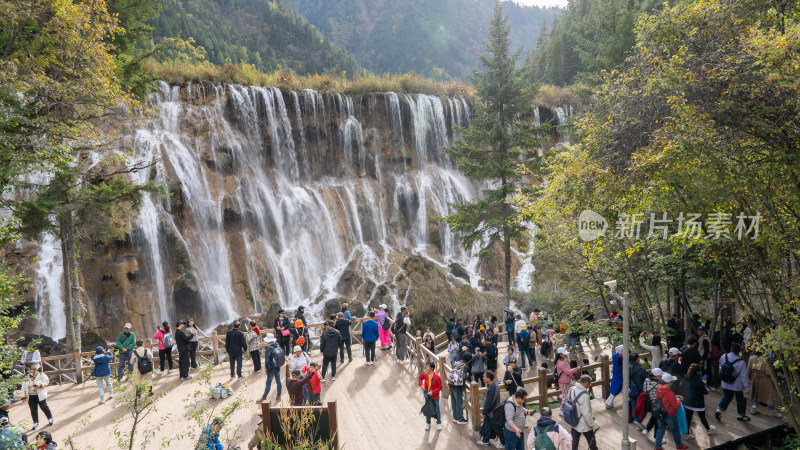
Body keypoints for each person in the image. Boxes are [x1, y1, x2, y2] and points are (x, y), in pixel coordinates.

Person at [715, 342, 751, 422]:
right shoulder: (741, 362)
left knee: (726, 397)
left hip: (725, 383)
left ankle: (719, 410)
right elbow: (744, 376)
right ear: (739, 351)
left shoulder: (724, 356)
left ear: (731, 349)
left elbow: (720, 366)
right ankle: (741, 415)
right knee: (741, 399)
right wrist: (746, 387)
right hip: (737, 385)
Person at [682, 363, 715, 440]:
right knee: (702, 417)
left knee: (688, 418)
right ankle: (708, 429)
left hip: (688, 402)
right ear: (697, 372)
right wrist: (704, 385)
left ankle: (686, 434)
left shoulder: (685, 379)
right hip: (698, 403)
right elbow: (705, 392)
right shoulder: (699, 382)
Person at [655, 373, 688, 450]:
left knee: (660, 430)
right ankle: (679, 446)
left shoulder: (659, 388)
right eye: (672, 381)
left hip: (661, 413)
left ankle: (657, 447)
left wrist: (675, 396)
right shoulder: (670, 392)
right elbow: (675, 406)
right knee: (675, 431)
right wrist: (679, 401)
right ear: (669, 382)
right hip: (670, 414)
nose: (673, 383)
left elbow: (661, 398)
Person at [568, 375, 599, 450]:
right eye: (589, 384)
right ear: (586, 383)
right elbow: (586, 413)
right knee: (592, 445)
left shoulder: (572, 389)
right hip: (584, 424)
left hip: (574, 421)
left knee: (574, 445)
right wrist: (594, 425)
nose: (589, 386)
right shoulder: (584, 396)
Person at [748, 351, 782, 417]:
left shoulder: (751, 358)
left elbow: (749, 369)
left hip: (755, 379)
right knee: (769, 396)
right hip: (764, 379)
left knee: (757, 394)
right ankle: (773, 411)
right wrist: (773, 378)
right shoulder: (765, 359)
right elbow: (768, 372)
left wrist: (749, 378)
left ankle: (754, 408)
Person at [23, 364, 53, 430]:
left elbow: (47, 381)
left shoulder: (41, 375)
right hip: (31, 395)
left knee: (44, 406)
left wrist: (41, 385)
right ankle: (35, 422)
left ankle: (50, 418)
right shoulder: (26, 377)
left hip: (40, 394)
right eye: (31, 370)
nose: (32, 371)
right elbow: (23, 387)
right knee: (33, 409)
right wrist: (23, 396)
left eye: (33, 370)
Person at [477, 371, 503, 447]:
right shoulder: (491, 384)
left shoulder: (492, 388)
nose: (483, 378)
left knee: (497, 429)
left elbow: (489, 402)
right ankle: (485, 440)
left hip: (493, 412)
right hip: (490, 412)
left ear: (488, 378)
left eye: (484, 376)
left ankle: (504, 442)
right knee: (487, 426)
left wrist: (483, 412)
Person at [418, 361, 442, 431]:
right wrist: (421, 384)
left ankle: (439, 423)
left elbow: (440, 387)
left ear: (432, 368)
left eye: (427, 366)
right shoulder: (425, 375)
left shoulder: (437, 377)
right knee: (428, 408)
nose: (426, 367)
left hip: (435, 396)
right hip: (427, 394)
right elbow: (420, 378)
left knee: (437, 409)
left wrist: (433, 392)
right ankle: (428, 423)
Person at [640, 368, 663, 436]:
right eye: (660, 376)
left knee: (654, 417)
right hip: (656, 403)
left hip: (647, 402)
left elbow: (644, 389)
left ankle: (647, 429)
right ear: (655, 376)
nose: (661, 377)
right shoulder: (659, 385)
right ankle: (656, 436)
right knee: (657, 419)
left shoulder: (646, 380)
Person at [260, 333, 282, 403]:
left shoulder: (269, 348)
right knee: (278, 381)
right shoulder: (277, 345)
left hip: (271, 368)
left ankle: (264, 397)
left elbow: (267, 360)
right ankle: (279, 395)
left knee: (268, 383)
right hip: (278, 366)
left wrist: (267, 369)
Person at [449, 353, 470, 425]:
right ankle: (460, 418)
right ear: (469, 360)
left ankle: (455, 417)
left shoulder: (456, 363)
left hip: (451, 384)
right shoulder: (465, 366)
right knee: (459, 402)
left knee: (453, 401)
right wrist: (467, 376)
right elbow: (463, 377)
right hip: (458, 386)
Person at [628, 353, 647, 425]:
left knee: (634, 405)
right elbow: (646, 379)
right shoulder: (641, 369)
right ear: (637, 359)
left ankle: (635, 418)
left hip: (631, 389)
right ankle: (638, 420)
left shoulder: (627, 367)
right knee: (643, 406)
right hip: (640, 390)